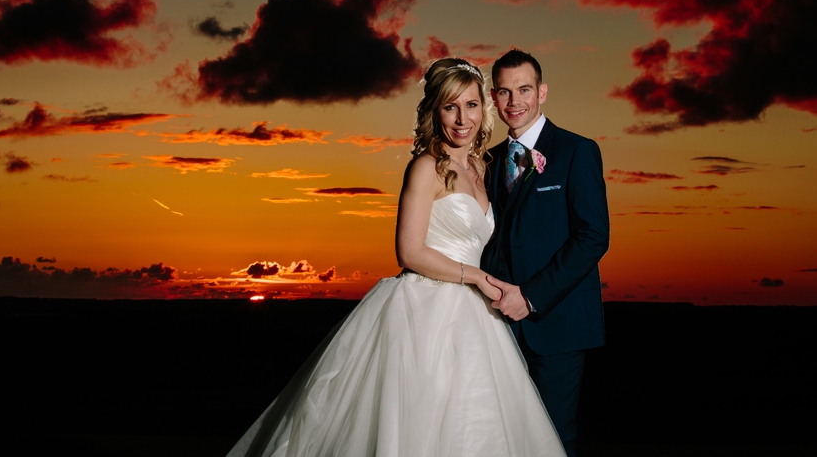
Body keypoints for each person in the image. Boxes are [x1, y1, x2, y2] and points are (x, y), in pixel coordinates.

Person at [227, 58, 566, 457]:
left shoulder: (480, 166)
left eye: (471, 105)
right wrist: (474, 277)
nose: (462, 119)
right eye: (450, 106)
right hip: (426, 310)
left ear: (484, 108)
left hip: (478, 317)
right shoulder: (425, 167)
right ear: (434, 111)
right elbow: (409, 251)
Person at [481, 49, 609, 457]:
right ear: (494, 98)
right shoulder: (488, 161)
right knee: (503, 437)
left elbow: (593, 236)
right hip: (497, 323)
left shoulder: (577, 151)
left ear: (542, 92)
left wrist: (531, 296)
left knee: (552, 439)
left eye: (524, 90)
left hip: (559, 321)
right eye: (504, 92)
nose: (514, 101)